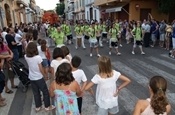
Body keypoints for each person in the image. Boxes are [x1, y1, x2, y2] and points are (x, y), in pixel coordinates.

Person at [25, 42, 55, 112]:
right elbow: (40, 68)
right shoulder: (38, 58)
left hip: (31, 77)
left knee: (36, 92)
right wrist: (45, 75)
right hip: (39, 77)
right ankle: (47, 106)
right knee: (45, 91)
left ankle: (38, 106)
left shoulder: (26, 56)